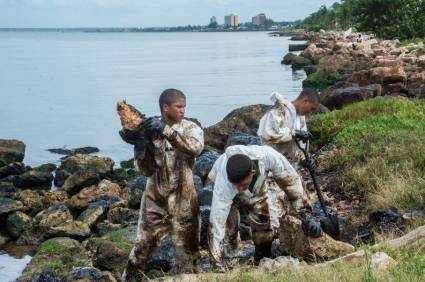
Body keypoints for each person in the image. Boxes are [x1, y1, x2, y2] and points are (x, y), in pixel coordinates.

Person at [120, 89, 204, 281]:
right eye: (178, 106)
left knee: (188, 253)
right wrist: (141, 144)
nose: (183, 110)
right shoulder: (149, 131)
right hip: (155, 199)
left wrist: (166, 130)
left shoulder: (191, 128)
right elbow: (145, 170)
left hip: (184, 199)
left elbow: (195, 149)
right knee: (141, 248)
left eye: (184, 106)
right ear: (166, 107)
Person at [207, 145, 322, 271]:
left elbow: (292, 184)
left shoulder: (269, 156)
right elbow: (216, 224)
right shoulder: (223, 184)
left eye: (243, 185)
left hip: (257, 187)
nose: (239, 189)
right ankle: (230, 264)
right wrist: (215, 261)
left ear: (253, 171)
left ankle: (262, 257)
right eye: (237, 186)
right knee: (230, 230)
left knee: (263, 221)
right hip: (224, 189)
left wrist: (306, 215)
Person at [257, 88, 320, 165]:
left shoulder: (300, 117)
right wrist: (294, 134)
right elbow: (267, 134)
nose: (310, 112)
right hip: (272, 162)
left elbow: (301, 144)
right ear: (305, 100)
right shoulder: (278, 111)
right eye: (312, 108)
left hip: (289, 164)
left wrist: (305, 158)